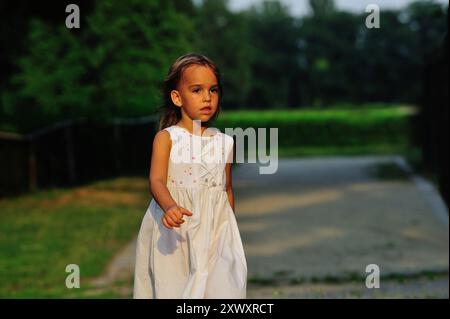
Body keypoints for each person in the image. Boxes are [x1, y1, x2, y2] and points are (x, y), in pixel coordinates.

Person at [133, 53, 247, 299]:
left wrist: (229, 228)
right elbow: (156, 181)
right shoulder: (167, 138)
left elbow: (226, 189)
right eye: (197, 90)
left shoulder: (225, 143)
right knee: (176, 289)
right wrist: (169, 206)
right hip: (175, 233)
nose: (207, 97)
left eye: (213, 90)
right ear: (177, 97)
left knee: (220, 289)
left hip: (215, 233)